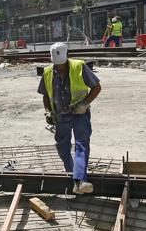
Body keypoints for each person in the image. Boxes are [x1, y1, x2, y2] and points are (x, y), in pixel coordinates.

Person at [37, 43, 101, 194]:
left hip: (80, 115)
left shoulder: (79, 66)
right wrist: (47, 112)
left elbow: (97, 87)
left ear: (66, 58)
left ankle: (79, 180)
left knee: (82, 145)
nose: (59, 68)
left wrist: (85, 104)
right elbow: (46, 95)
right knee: (62, 147)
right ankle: (73, 176)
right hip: (60, 117)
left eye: (61, 65)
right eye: (56, 65)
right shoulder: (47, 72)